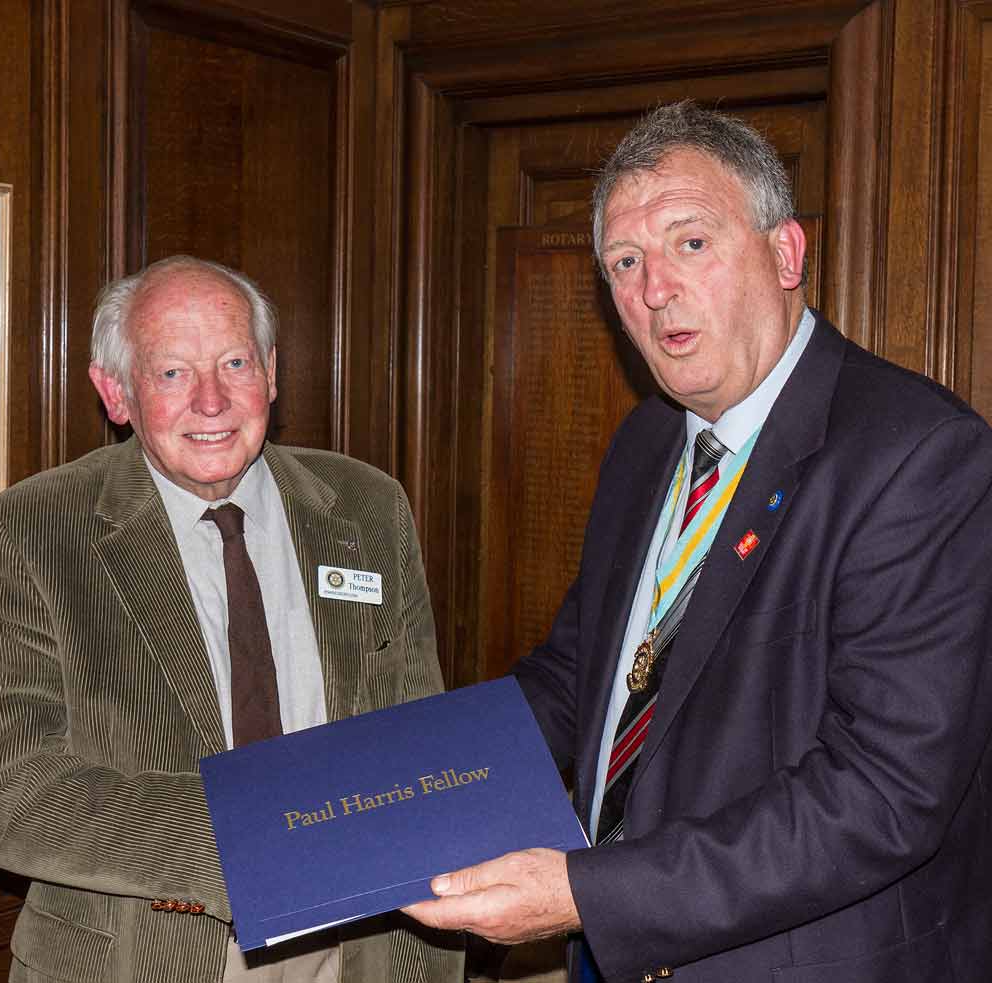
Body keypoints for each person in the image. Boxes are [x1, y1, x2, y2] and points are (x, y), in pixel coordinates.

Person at [405, 102, 992, 982]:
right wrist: (396, 781)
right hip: (616, 948)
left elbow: (883, 794)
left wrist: (587, 894)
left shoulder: (917, 454)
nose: (653, 290)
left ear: (786, 253)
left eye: (691, 244)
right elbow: (581, 678)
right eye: (625, 263)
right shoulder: (647, 443)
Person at [0, 256, 463, 982]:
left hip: (359, 950)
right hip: (146, 952)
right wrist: (252, 843)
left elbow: (419, 733)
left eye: (235, 361)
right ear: (115, 392)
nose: (212, 401)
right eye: (172, 372)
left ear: (271, 372)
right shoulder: (31, 530)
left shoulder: (368, 507)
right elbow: (12, 787)